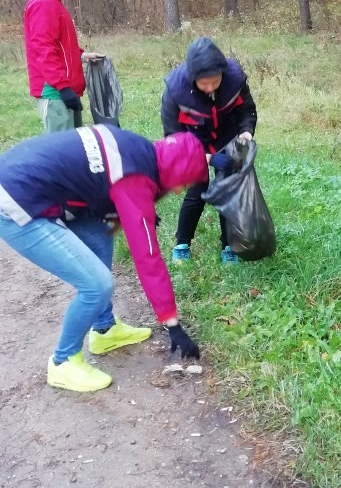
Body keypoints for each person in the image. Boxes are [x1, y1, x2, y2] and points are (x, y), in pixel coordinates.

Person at [0, 126, 208, 393]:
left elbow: (102, 187)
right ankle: (63, 362)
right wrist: (172, 324)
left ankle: (104, 329)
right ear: (175, 171)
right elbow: (148, 257)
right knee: (96, 285)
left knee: (101, 233)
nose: (180, 191)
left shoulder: (143, 150)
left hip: (23, 178)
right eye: (184, 182)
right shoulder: (134, 181)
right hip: (15, 203)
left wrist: (133, 213)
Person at [161, 37, 257, 264]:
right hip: (194, 142)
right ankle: (182, 244)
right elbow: (173, 136)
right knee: (197, 192)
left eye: (215, 81)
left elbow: (246, 110)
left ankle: (229, 246)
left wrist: (246, 132)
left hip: (227, 137)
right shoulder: (175, 91)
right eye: (204, 84)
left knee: (228, 191)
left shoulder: (235, 80)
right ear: (193, 78)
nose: (210, 87)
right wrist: (206, 157)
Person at [24, 0, 102, 132]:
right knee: (61, 153)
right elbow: (44, 49)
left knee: (74, 149)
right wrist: (62, 87)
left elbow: (60, 45)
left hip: (65, 89)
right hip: (55, 91)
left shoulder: (53, 2)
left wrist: (81, 55)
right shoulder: (43, 4)